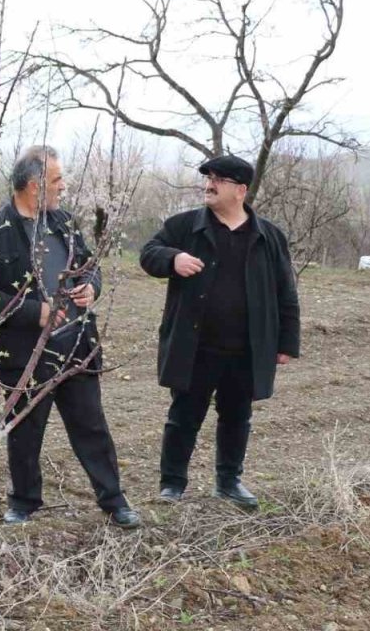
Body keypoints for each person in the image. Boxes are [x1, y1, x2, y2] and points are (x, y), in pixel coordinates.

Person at [0, 145, 141, 529]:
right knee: (25, 431)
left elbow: (88, 266)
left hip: (75, 346)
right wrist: (38, 312)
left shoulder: (63, 222)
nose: (63, 187)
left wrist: (90, 288)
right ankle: (23, 501)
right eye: (56, 180)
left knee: (91, 426)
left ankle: (113, 500)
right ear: (34, 186)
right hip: (25, 353)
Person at [139, 154, 301, 509]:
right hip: (196, 344)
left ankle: (229, 481)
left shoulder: (269, 236)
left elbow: (285, 291)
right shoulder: (184, 226)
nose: (209, 185)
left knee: (237, 417)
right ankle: (172, 484)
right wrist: (172, 259)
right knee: (183, 417)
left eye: (219, 179)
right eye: (208, 177)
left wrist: (287, 342)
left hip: (247, 348)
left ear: (240, 190)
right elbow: (148, 253)